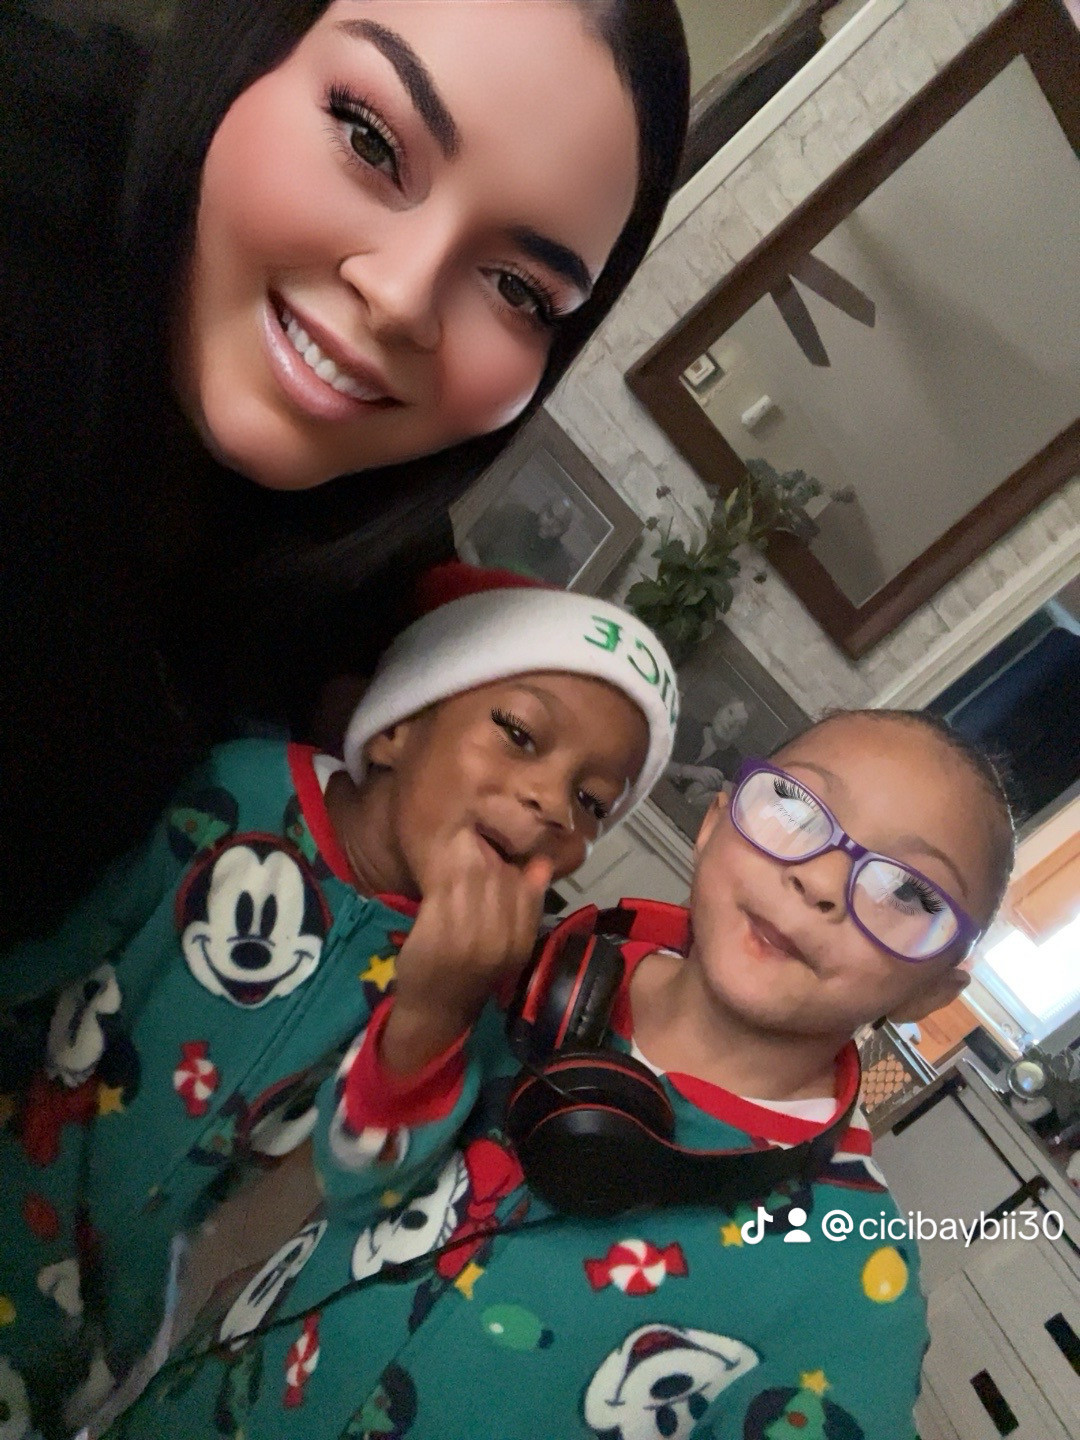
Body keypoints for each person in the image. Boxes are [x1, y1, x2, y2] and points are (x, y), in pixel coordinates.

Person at [102, 708, 1014, 1440]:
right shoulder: (523, 975)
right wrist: (428, 1020)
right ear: (713, 824)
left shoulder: (850, 1280)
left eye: (910, 892)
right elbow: (346, 1178)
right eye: (797, 808)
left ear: (933, 988)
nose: (819, 881)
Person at [0, 0, 690, 952]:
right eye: (370, 139)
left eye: (519, 289)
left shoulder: (374, 579)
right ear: (250, 44)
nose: (401, 297)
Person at [0, 563, 679, 1438]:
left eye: (592, 802)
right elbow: (62, 932)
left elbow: (365, 1185)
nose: (551, 801)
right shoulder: (239, 789)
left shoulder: (486, 987)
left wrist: (435, 1015)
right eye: (518, 733)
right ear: (396, 726)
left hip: (110, 1317)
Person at [463, 493, 578, 586]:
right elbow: (467, 543)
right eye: (550, 515)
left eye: (558, 524)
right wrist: (480, 579)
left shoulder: (559, 564)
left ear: (564, 531)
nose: (550, 525)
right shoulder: (513, 516)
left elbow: (551, 601)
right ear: (542, 508)